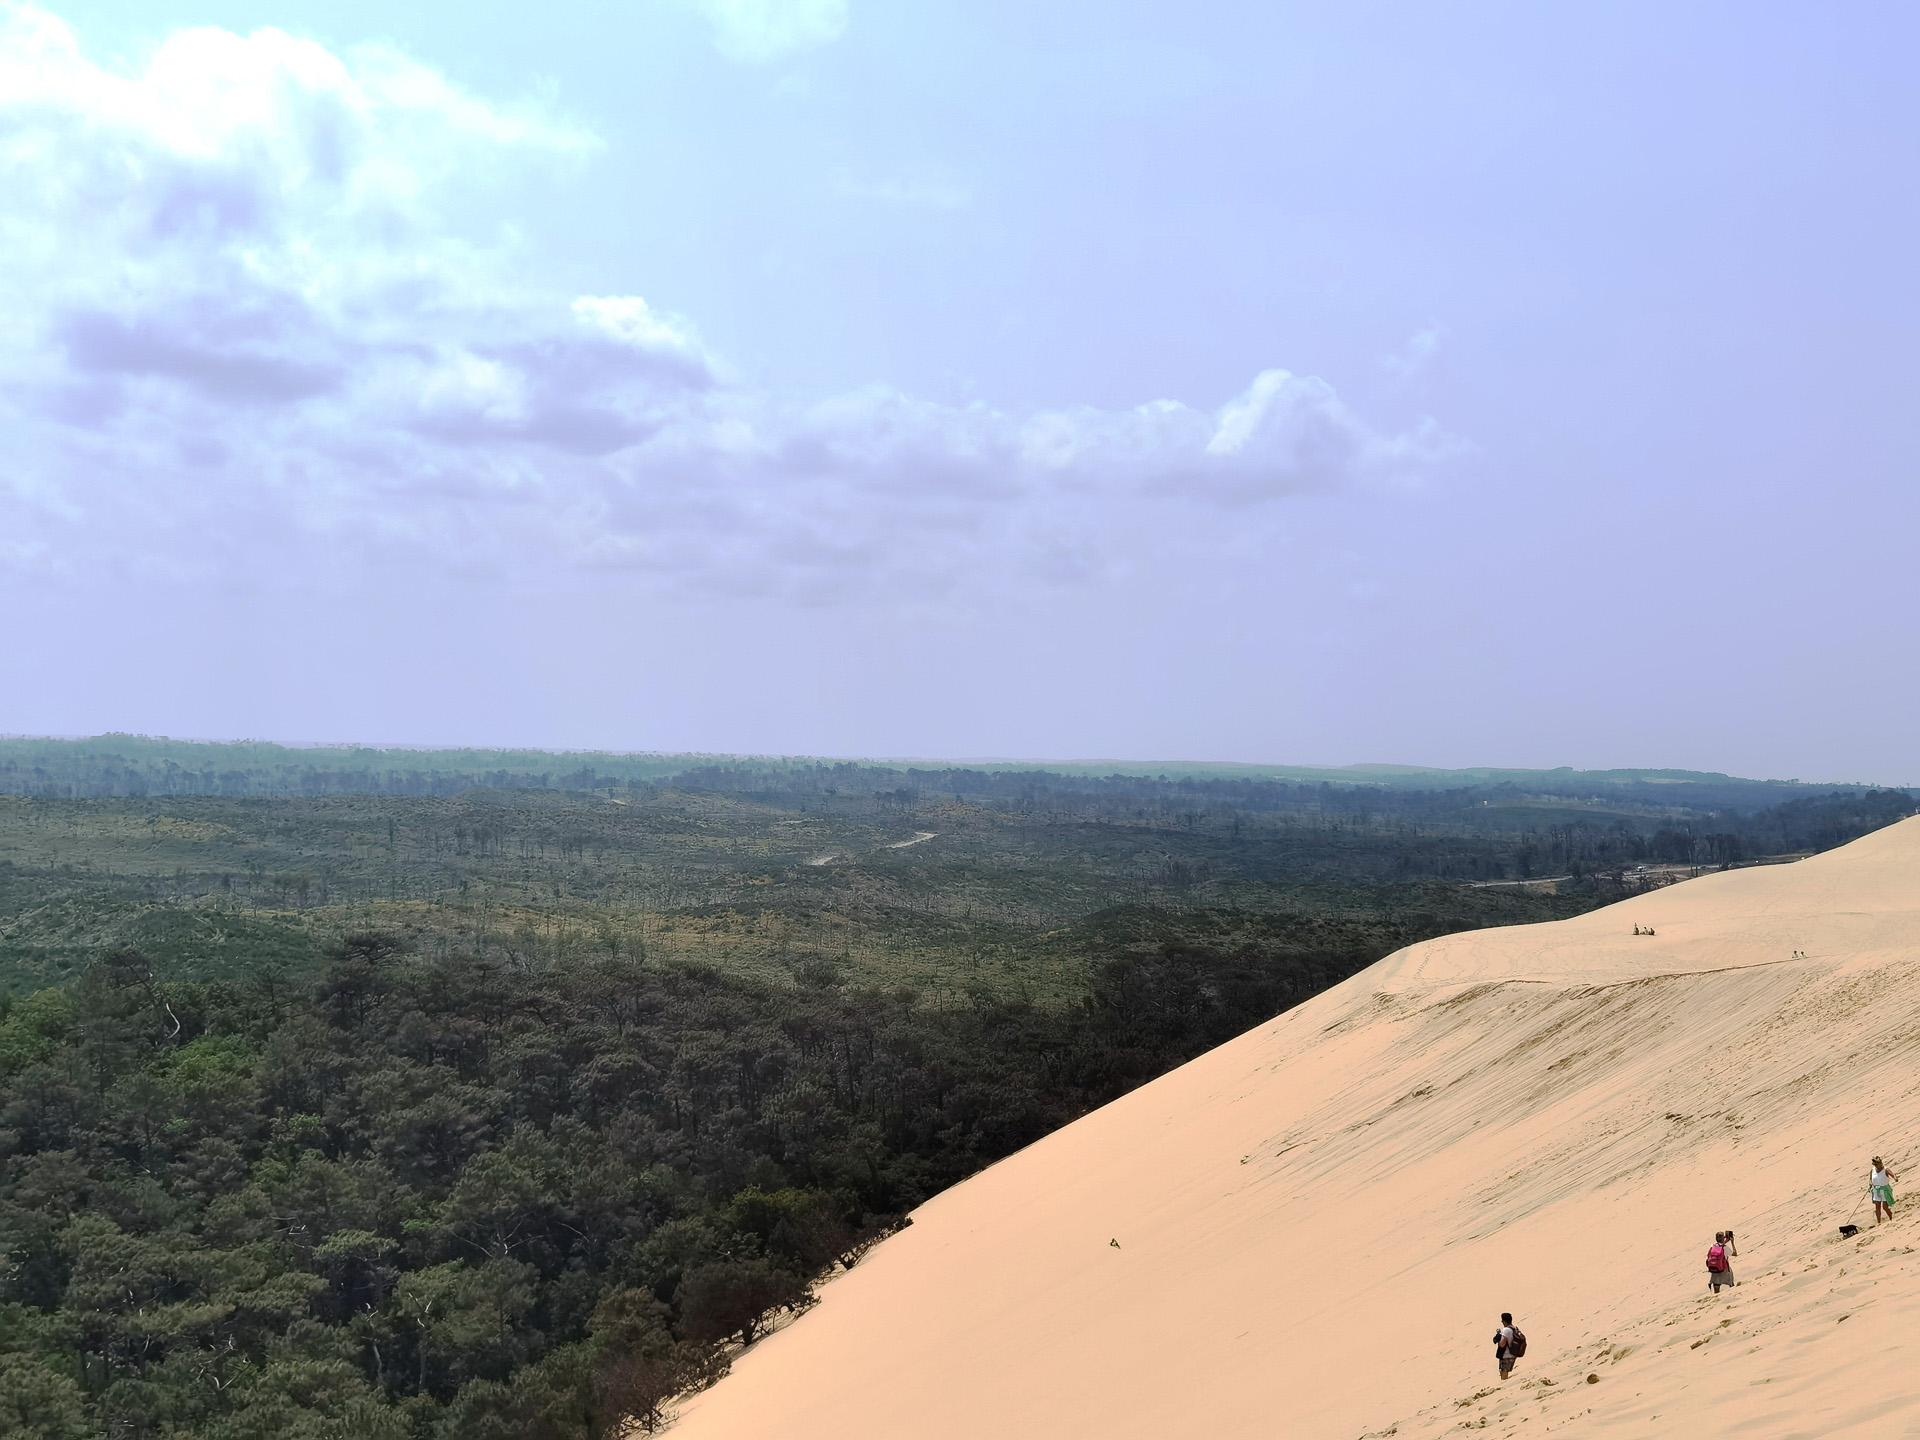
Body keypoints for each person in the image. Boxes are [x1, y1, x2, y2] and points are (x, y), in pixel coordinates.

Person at [1493, 1313, 1519, 1381]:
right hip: (1513, 1355)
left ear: (1504, 1321)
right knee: (1507, 1374)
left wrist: (1498, 1336)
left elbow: (1502, 1344)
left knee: (1504, 1376)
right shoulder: (1514, 1328)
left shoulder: (1506, 1330)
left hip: (1506, 1356)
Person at [1871, 1158, 1899, 1223]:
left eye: (1881, 1163)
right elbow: (1871, 1178)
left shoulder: (1885, 1169)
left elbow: (1892, 1174)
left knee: (1885, 1207)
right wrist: (1870, 1184)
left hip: (1885, 1189)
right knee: (1877, 1207)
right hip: (1876, 1190)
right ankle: (1879, 1222)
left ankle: (1891, 1217)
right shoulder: (1872, 1170)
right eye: (1879, 1164)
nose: (1881, 1165)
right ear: (1875, 1165)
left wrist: (1895, 1178)